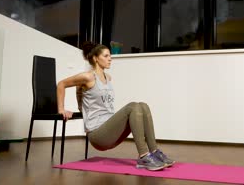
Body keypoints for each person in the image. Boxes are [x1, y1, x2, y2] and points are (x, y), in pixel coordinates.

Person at [56, 42, 175, 171]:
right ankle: (143, 156)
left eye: (110, 56)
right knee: (133, 106)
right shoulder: (88, 76)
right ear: (96, 58)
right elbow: (61, 84)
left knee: (143, 106)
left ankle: (155, 152)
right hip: (98, 134)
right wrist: (61, 109)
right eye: (106, 56)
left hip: (109, 130)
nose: (110, 59)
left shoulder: (108, 78)